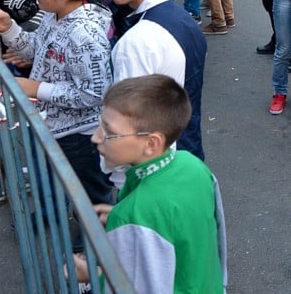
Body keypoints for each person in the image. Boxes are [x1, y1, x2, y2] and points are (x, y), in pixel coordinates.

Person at [74, 75, 227, 292]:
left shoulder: (135, 214)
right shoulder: (194, 166)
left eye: (109, 131)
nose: (96, 138)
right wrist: (127, 216)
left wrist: (93, 274)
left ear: (151, 143)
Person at [0, 0, 114, 208]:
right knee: (75, 192)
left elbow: (94, 93)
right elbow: (36, 48)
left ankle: (95, 245)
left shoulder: (84, 35)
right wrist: (8, 26)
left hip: (81, 136)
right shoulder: (54, 14)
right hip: (58, 127)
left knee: (92, 197)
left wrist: (36, 89)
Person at [104, 0, 209, 160]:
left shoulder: (138, 41)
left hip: (155, 169)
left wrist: (125, 183)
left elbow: (130, 127)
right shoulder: (185, 20)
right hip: (187, 156)